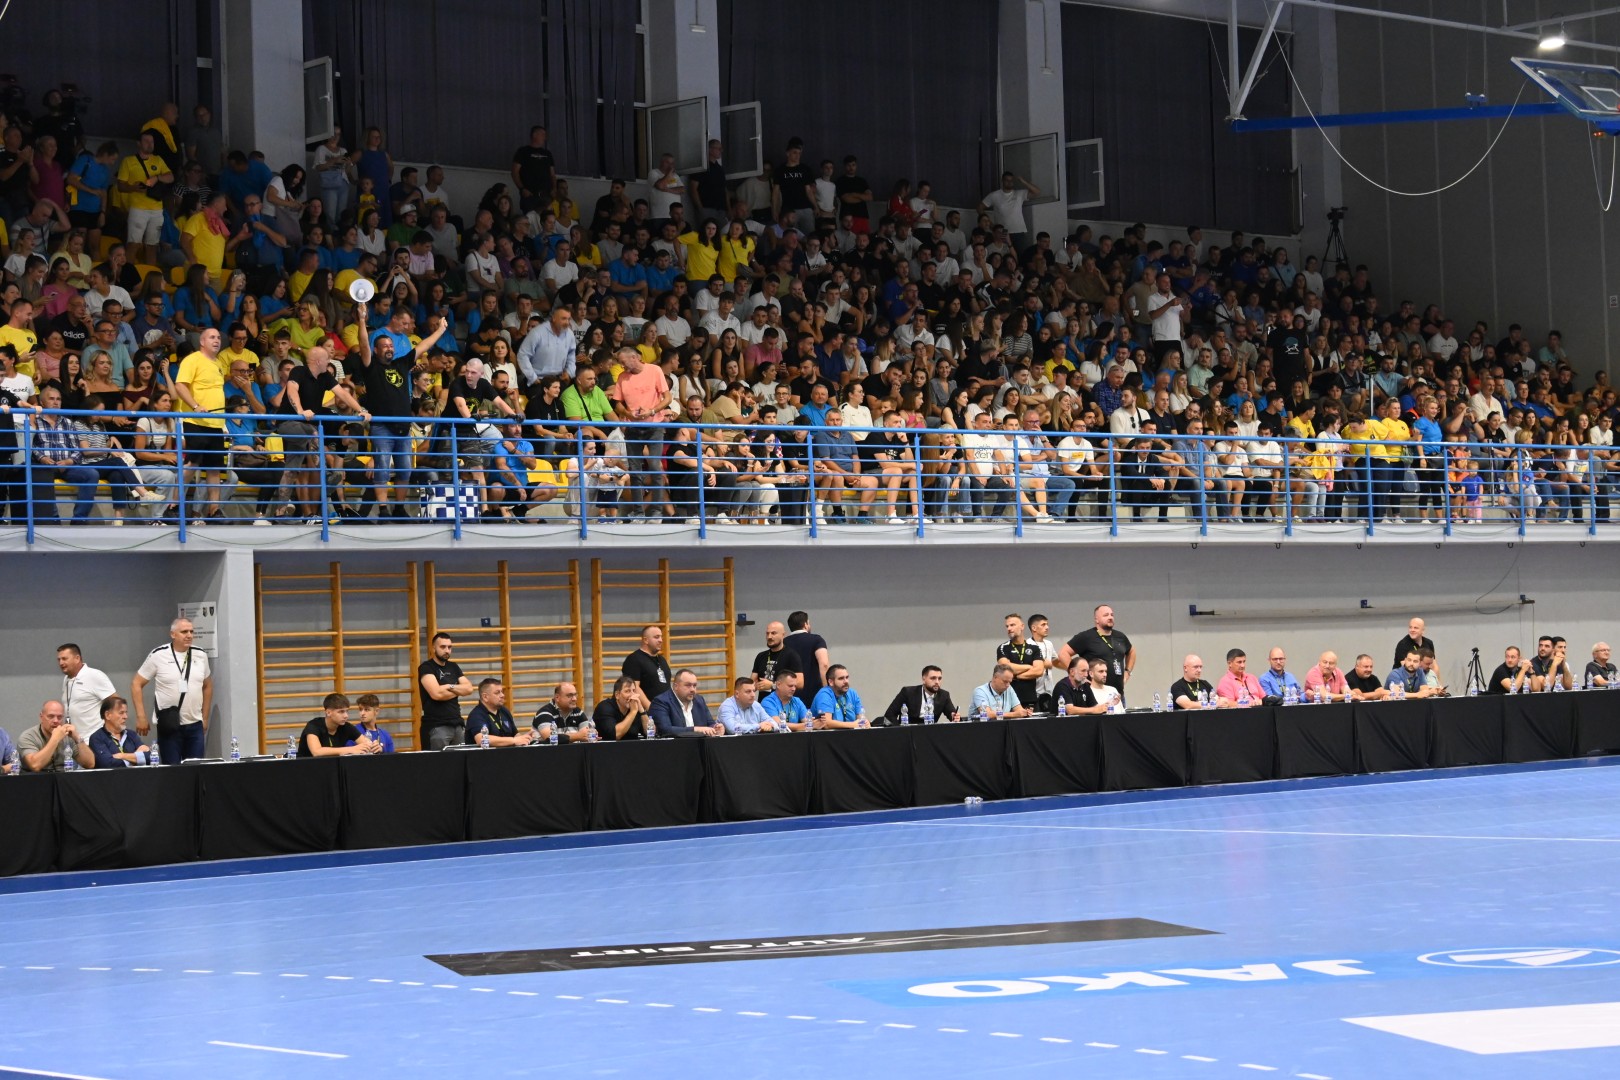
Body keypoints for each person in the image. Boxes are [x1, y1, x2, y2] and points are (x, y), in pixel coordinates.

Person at [131, 617, 213, 764]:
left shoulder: (200, 655)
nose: (189, 635)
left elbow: (207, 686)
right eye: (184, 632)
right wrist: (141, 716)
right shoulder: (158, 655)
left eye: (191, 631)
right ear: (173, 634)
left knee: (195, 769)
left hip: (195, 724)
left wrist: (205, 718)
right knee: (172, 770)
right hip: (169, 724)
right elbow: (136, 683)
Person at [1058, 604, 1135, 702]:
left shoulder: (1120, 637)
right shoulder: (1086, 637)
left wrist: (1127, 672)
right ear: (1096, 620)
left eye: (1112, 615)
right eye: (1106, 615)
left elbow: (1132, 651)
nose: (1110, 617)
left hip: (1117, 694)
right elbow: (1063, 653)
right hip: (1094, 694)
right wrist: (1077, 674)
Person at [418, 631, 474, 750]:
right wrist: (458, 689)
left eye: (449, 647)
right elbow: (437, 694)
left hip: (457, 725)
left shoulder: (453, 666)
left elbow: (469, 689)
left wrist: (449, 687)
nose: (447, 650)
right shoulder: (427, 667)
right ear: (434, 648)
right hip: (437, 726)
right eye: (443, 647)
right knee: (439, 761)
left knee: (460, 760)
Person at [56, 641, 116, 739]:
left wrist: (112, 732)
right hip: (75, 740)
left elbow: (116, 703)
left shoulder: (94, 675)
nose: (61, 663)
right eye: (59, 660)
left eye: (64, 659)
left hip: (95, 740)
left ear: (77, 658)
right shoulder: (66, 679)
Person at [18, 699, 93, 771]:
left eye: (59, 717)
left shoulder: (68, 736)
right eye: (51, 716)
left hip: (64, 778)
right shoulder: (28, 736)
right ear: (41, 717)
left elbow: (90, 764)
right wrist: (55, 739)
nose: (56, 721)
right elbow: (35, 765)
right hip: (37, 779)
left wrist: (77, 738)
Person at [298, 693, 381, 757]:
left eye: (347, 711)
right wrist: (351, 749)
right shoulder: (313, 725)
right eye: (341, 712)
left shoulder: (346, 727)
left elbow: (366, 744)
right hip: (306, 769)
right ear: (328, 712)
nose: (346, 716)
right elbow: (316, 752)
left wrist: (375, 747)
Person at [650, 668, 722, 737]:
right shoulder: (661, 701)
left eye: (694, 685)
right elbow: (665, 730)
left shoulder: (699, 700)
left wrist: (716, 728)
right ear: (675, 686)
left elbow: (710, 723)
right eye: (688, 685)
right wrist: (695, 729)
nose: (692, 689)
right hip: (674, 745)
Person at [995, 614, 1045, 712]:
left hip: (1031, 700)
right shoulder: (1003, 648)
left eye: (1012, 625)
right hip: (1010, 702)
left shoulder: (1034, 648)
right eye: (1007, 626)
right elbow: (1005, 668)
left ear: (1022, 626)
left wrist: (1016, 676)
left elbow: (1039, 671)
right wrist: (1029, 667)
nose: (1009, 628)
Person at [88, 695, 153, 768]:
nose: (125, 716)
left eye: (126, 712)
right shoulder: (97, 738)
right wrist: (136, 759)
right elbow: (108, 764)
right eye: (121, 713)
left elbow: (150, 758)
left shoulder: (132, 735)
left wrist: (122, 756)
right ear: (108, 715)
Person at [466, 677, 535, 746]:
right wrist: (513, 740)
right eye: (497, 693)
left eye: (502, 692)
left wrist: (524, 738)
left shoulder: (504, 711)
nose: (502, 695)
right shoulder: (476, 715)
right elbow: (482, 739)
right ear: (485, 697)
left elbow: (515, 735)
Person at [881, 665, 959, 725]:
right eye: (933, 678)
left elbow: (952, 714)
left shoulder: (944, 695)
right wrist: (899, 729)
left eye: (939, 678)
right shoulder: (908, 692)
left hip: (930, 733)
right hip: (909, 732)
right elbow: (889, 715)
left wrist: (955, 717)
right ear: (923, 679)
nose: (937, 682)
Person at [782, 610, 831, 706]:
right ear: (806, 624)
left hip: (790, 694)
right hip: (814, 694)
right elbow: (824, 664)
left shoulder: (783, 643)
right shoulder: (816, 640)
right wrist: (827, 692)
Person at [593, 675, 655, 741]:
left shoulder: (635, 708)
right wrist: (633, 712)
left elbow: (650, 734)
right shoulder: (604, 708)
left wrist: (641, 710)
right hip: (608, 747)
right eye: (627, 691)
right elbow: (616, 735)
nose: (632, 695)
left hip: (632, 746)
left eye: (634, 691)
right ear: (617, 695)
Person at [621, 623, 673, 702]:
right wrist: (650, 707)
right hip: (646, 708)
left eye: (661, 637)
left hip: (664, 707)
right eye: (656, 637)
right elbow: (634, 687)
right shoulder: (634, 659)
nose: (661, 640)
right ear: (646, 640)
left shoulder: (662, 660)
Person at [750, 620, 802, 694]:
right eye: (767, 633)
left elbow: (800, 683)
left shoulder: (792, 655)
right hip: (764, 700)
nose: (769, 637)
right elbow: (752, 682)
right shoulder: (761, 656)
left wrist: (773, 685)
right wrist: (753, 686)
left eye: (773, 633)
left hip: (782, 700)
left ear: (783, 635)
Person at [718, 676, 783, 734]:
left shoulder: (756, 705)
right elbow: (733, 728)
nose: (753, 695)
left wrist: (770, 727)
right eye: (748, 691)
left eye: (753, 691)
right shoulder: (727, 706)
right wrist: (758, 726)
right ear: (737, 694)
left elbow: (774, 724)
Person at [810, 663, 866, 729]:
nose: (846, 681)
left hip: (850, 734)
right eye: (841, 678)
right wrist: (852, 725)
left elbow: (861, 719)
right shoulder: (824, 694)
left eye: (847, 677)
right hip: (828, 735)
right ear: (831, 682)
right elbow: (826, 724)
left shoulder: (852, 693)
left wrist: (865, 723)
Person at [1027, 613, 1060, 713]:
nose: (1047, 627)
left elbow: (1055, 660)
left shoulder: (1049, 644)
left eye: (1047, 624)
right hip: (1034, 691)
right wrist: (1044, 664)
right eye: (1043, 625)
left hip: (1049, 690)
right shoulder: (1027, 645)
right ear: (1034, 628)